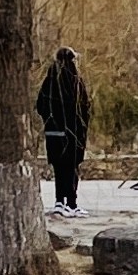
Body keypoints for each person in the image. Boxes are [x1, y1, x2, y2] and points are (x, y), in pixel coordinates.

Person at [38, 48, 90, 212]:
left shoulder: (49, 81)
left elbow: (41, 105)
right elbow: (85, 108)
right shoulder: (76, 82)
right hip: (73, 135)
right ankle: (72, 203)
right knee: (71, 168)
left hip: (54, 134)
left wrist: (50, 121)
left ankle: (59, 201)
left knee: (59, 169)